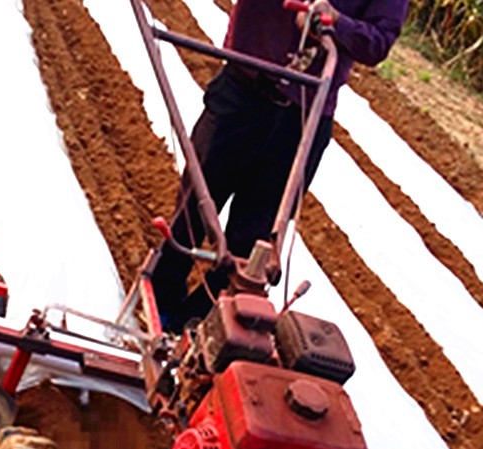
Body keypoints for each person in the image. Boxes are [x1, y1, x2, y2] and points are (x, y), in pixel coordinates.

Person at [152, 0, 410, 333]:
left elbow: (378, 41)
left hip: (303, 114)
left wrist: (336, 21)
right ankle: (160, 299)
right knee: (196, 204)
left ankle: (204, 321)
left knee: (255, 236)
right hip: (244, 85)